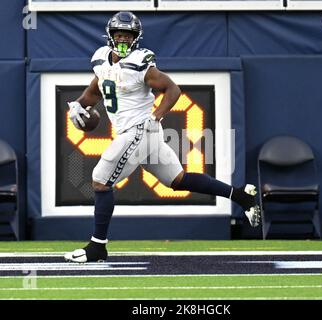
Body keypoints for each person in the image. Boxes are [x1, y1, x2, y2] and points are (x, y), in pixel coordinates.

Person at [64, 11, 260, 263]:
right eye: (119, 34)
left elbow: (172, 89)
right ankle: (241, 195)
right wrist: (79, 106)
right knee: (177, 180)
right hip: (138, 133)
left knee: (100, 180)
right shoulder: (101, 60)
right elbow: (96, 90)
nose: (123, 39)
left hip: (140, 129)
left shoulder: (141, 62)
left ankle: (97, 246)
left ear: (136, 38)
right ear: (110, 36)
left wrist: (155, 116)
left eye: (128, 35)